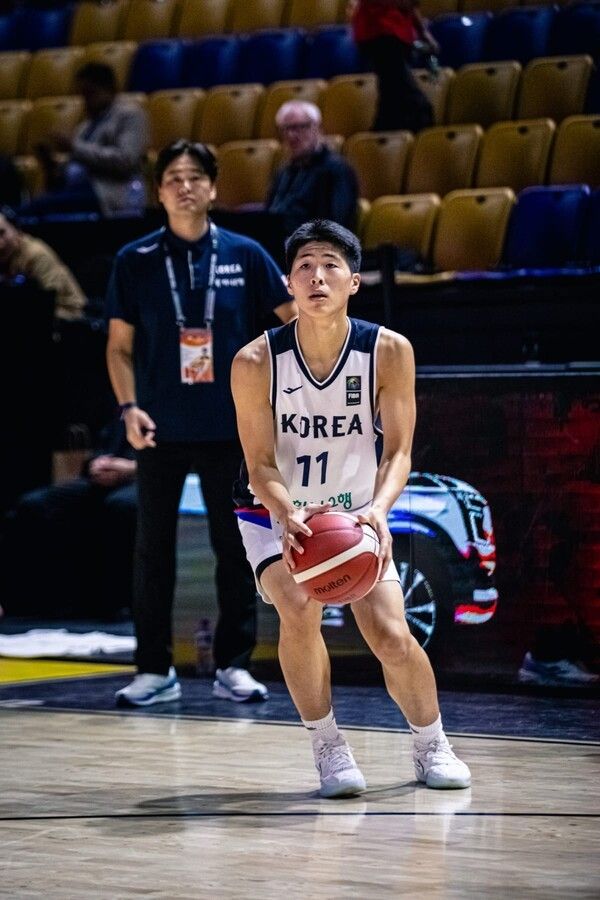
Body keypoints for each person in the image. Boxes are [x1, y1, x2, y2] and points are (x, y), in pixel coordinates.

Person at [231, 218, 471, 797]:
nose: (317, 275)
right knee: (296, 604)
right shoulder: (254, 362)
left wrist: (380, 511)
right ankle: (328, 745)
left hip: (355, 511)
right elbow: (260, 463)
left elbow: (400, 451)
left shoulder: (388, 351)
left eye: (331, 264)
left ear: (354, 282)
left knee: (389, 632)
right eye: (305, 265)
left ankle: (430, 741)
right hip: (274, 508)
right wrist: (288, 514)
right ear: (288, 282)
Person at [105, 139, 297, 707]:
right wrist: (128, 407)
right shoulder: (135, 261)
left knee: (237, 546)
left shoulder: (246, 254)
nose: (184, 185)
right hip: (159, 426)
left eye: (195, 177)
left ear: (213, 188)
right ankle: (153, 668)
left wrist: (279, 393)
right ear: (159, 191)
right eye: (172, 178)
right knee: (152, 550)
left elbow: (294, 323)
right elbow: (118, 347)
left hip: (231, 426)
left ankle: (234, 665)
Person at [0, 416, 136, 619]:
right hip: (102, 480)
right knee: (34, 505)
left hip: (147, 478)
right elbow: (102, 446)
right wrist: (96, 464)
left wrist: (131, 468)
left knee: (120, 506)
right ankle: (28, 600)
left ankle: (115, 603)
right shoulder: (124, 405)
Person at [20, 62, 148, 219]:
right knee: (37, 207)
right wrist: (51, 165)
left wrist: (73, 147)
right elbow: (74, 169)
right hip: (77, 190)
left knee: (39, 208)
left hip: (109, 192)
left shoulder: (129, 115)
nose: (86, 101)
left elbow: (125, 160)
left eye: (90, 93)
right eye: (83, 95)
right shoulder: (86, 126)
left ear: (110, 89)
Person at [265, 101, 359, 238]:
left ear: (317, 128)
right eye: (286, 129)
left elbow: (335, 228)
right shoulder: (283, 172)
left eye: (300, 127)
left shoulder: (336, 171)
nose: (292, 135)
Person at [349, 0, 438, 133]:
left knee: (390, 101)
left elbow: (409, 6)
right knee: (416, 106)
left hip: (394, 36)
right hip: (381, 34)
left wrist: (423, 32)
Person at [0, 206, 86, 320]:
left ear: (17, 230)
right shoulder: (6, 255)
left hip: (66, 313)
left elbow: (48, 299)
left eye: (2, 233)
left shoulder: (37, 254)